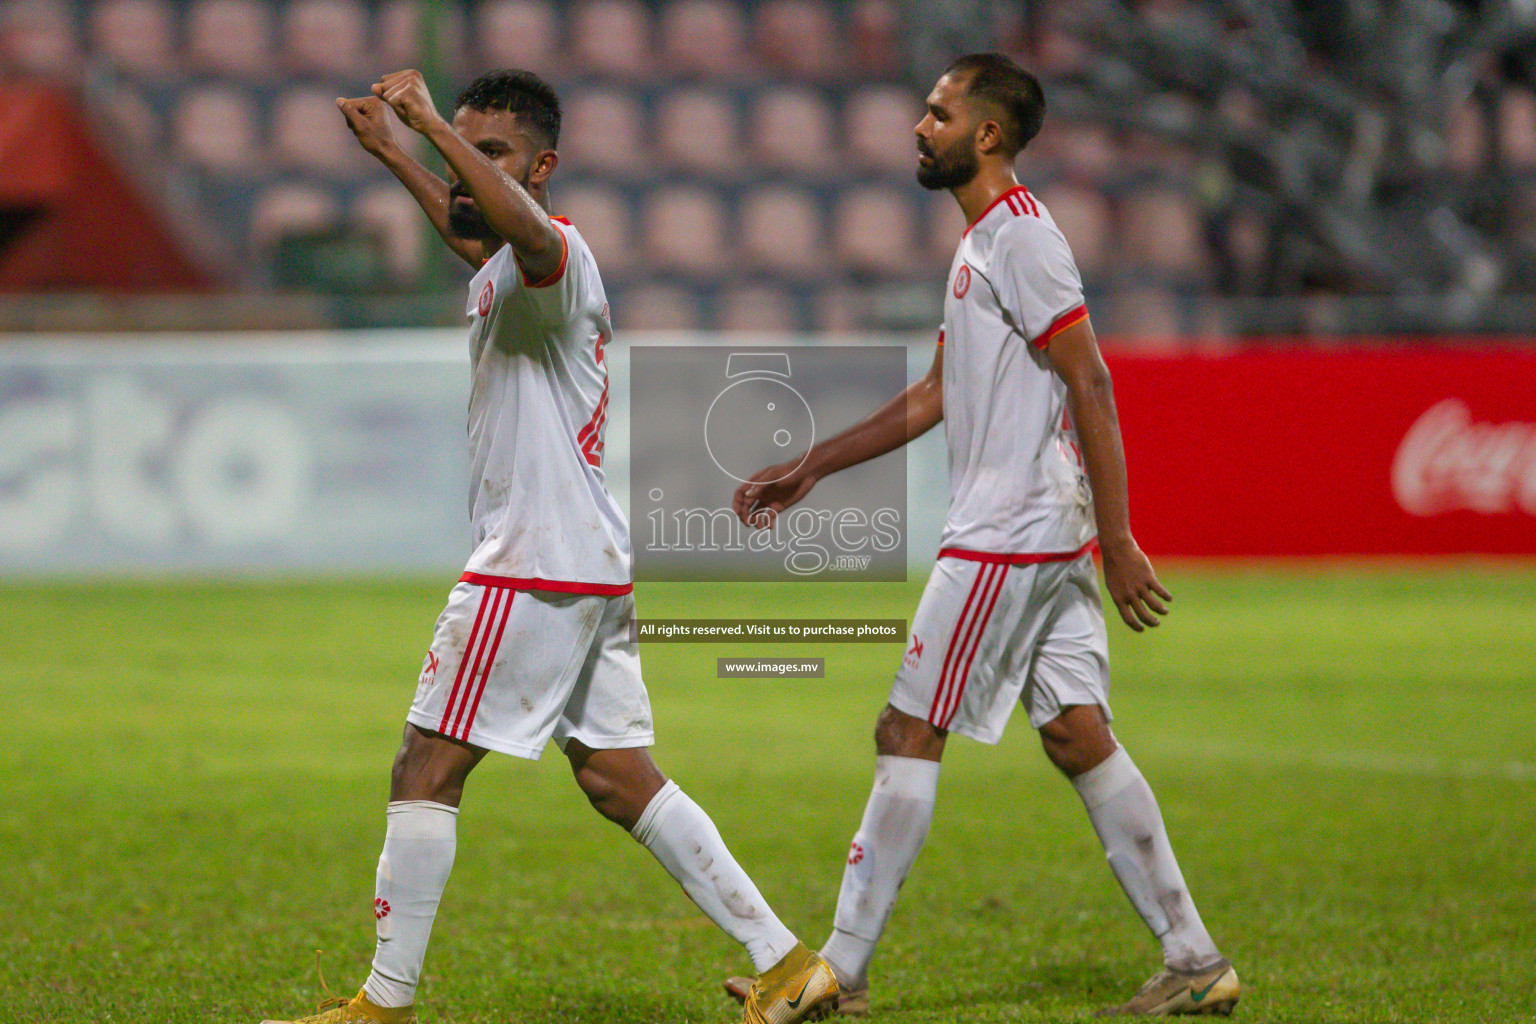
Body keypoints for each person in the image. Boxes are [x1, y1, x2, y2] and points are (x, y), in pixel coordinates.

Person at [260, 68, 840, 1024]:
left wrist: (434, 129)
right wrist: (398, 155)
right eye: (471, 151)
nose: (470, 171)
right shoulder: (502, 262)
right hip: (586, 563)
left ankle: (385, 1003)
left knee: (424, 767)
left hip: (532, 561)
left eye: (494, 155)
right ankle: (788, 964)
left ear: (544, 167)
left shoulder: (555, 249)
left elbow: (516, 226)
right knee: (620, 778)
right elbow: (470, 231)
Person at [724, 53, 1240, 1018]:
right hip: (1038, 530)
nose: (919, 126)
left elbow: (1090, 378)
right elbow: (933, 393)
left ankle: (837, 970)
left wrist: (1121, 539)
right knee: (1077, 732)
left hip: (1008, 534)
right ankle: (1196, 959)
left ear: (986, 134)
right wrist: (813, 467)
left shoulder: (1024, 240)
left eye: (937, 113)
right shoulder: (980, 246)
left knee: (906, 728)